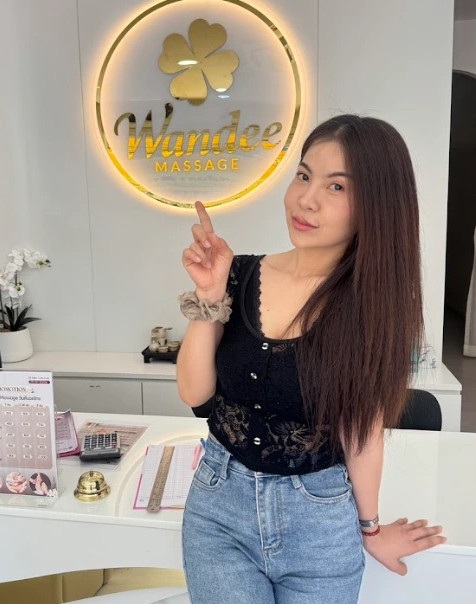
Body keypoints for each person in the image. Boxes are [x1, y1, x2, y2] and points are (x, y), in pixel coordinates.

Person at [177, 114, 447, 603]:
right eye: (304, 176)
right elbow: (195, 393)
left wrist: (371, 529)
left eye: (337, 187)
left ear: (376, 206)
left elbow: (362, 433)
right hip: (219, 511)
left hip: (318, 524)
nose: (306, 200)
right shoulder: (239, 274)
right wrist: (210, 297)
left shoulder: (371, 307)